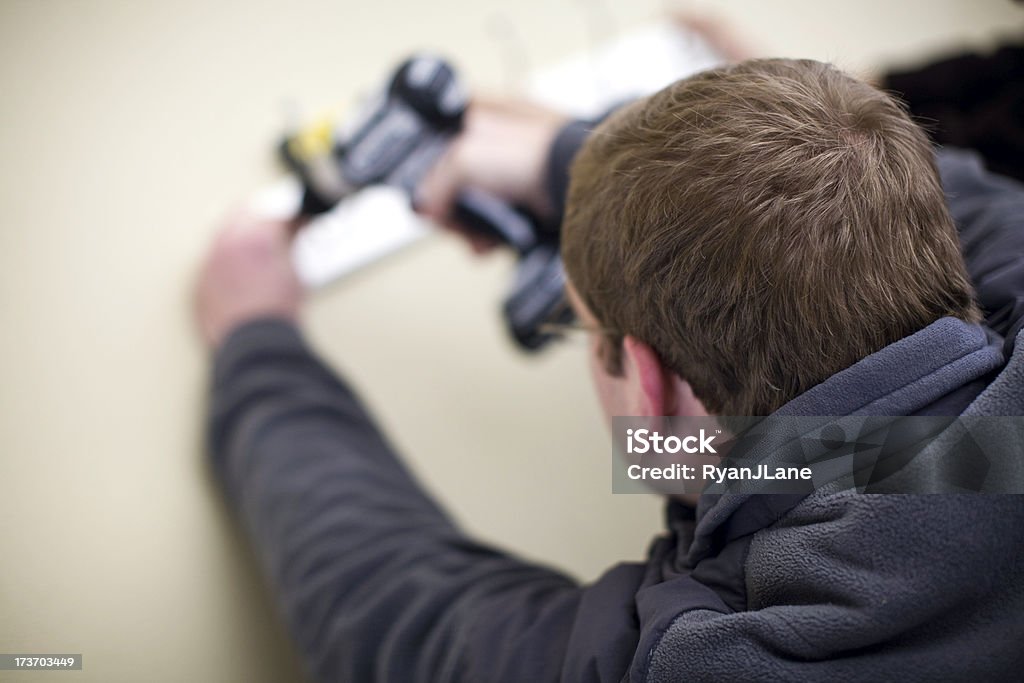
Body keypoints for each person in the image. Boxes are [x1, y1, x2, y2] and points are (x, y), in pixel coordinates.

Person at [196, 58, 1024, 681]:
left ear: (649, 382)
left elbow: (399, 607)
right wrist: (569, 161)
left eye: (587, 330)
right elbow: (917, 196)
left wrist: (254, 336)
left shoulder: (707, 657)